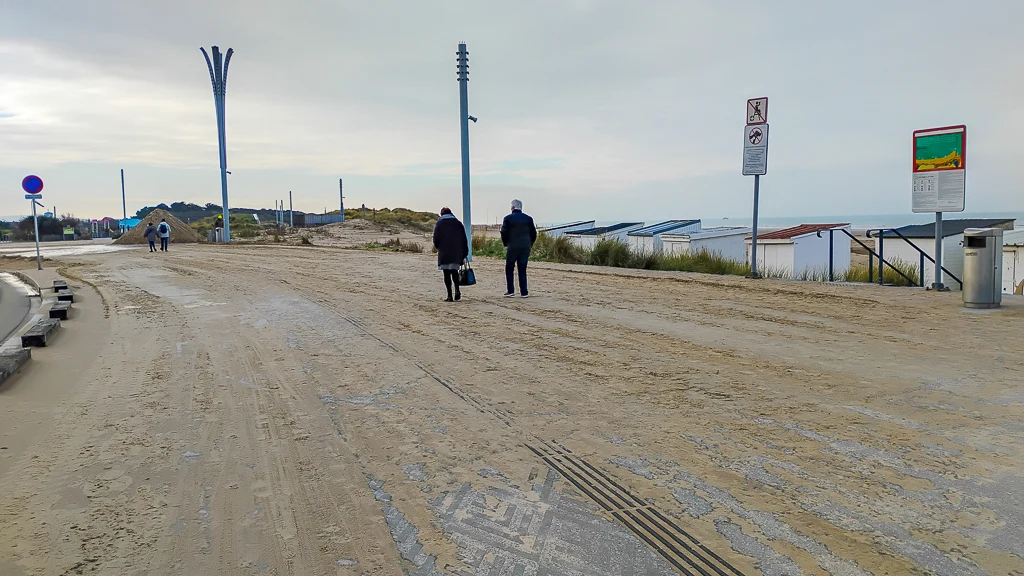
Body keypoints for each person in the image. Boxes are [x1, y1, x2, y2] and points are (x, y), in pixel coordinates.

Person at [500, 199, 537, 298]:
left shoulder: (508, 218)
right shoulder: (528, 218)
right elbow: (534, 233)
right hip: (525, 246)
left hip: (512, 246)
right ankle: (524, 292)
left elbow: (503, 232)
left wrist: (506, 243)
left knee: (509, 267)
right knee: (522, 268)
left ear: (512, 208)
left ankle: (511, 290)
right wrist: (530, 244)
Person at [432, 207, 469, 302]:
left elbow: (436, 238)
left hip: (444, 251)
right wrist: (465, 251)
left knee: (446, 273)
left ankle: (449, 296)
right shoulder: (458, 223)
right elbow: (464, 238)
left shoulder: (439, 224)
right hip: (456, 251)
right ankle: (457, 289)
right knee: (454, 271)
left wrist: (438, 246)